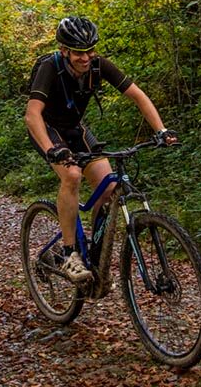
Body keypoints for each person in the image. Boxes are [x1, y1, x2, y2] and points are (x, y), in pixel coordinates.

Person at [25, 16, 177, 283]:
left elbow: (138, 96)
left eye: (90, 51)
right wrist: (51, 150)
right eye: (79, 53)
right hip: (47, 129)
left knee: (108, 187)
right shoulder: (50, 67)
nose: (86, 58)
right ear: (65, 51)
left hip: (74, 128)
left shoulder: (98, 65)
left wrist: (161, 131)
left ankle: (95, 255)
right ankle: (70, 254)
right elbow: (32, 114)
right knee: (72, 176)